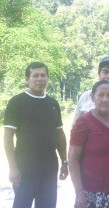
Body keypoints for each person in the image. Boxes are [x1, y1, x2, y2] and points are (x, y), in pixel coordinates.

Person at [3, 62, 68, 208]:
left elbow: (59, 135)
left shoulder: (53, 103)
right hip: (24, 167)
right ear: (27, 79)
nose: (40, 79)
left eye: (43, 75)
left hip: (49, 167)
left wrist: (64, 162)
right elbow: (8, 137)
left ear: (48, 78)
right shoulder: (17, 102)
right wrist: (13, 167)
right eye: (35, 76)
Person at [69, 80, 109, 208]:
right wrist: (79, 193)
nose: (105, 99)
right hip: (93, 194)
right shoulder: (83, 122)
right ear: (92, 98)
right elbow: (73, 159)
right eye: (100, 95)